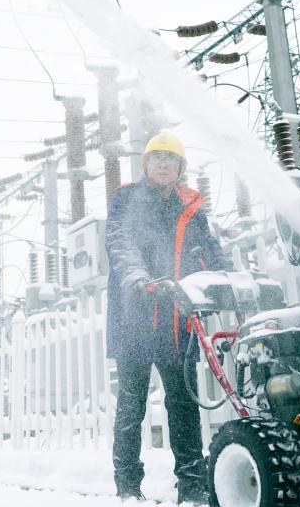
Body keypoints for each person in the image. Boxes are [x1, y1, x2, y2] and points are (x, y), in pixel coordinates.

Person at [105, 130, 232, 504]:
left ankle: (191, 485)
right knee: (132, 404)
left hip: (177, 319)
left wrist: (228, 276)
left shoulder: (190, 207)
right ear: (146, 165)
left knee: (183, 402)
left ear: (180, 168)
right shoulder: (127, 200)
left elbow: (210, 251)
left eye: (170, 159)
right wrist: (136, 276)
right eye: (157, 158)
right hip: (135, 316)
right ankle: (128, 486)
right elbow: (119, 241)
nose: (164, 164)